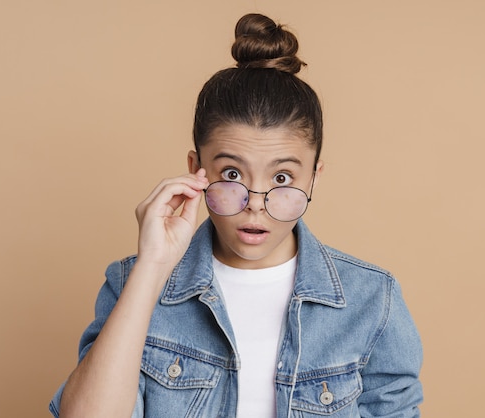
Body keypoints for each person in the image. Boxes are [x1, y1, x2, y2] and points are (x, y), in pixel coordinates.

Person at [50, 13, 423, 418]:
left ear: (313, 178)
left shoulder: (371, 299)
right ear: (197, 171)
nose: (256, 203)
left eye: (282, 176)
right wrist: (153, 267)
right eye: (231, 174)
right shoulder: (131, 283)